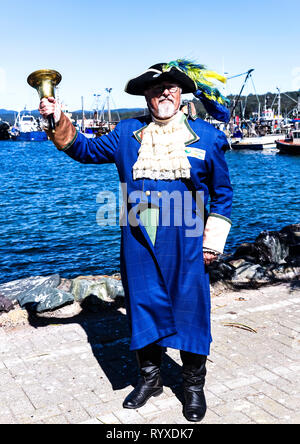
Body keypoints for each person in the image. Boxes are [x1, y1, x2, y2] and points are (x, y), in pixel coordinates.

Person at [39, 59, 233, 422]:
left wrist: (212, 241)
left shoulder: (206, 136)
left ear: (180, 93)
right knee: (142, 307)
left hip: (188, 237)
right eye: (156, 88)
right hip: (138, 235)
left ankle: (192, 386)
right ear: (146, 95)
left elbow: (222, 194)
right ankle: (151, 380)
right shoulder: (126, 133)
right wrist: (56, 117)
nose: (164, 93)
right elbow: (84, 149)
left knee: (192, 311)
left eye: (171, 87)